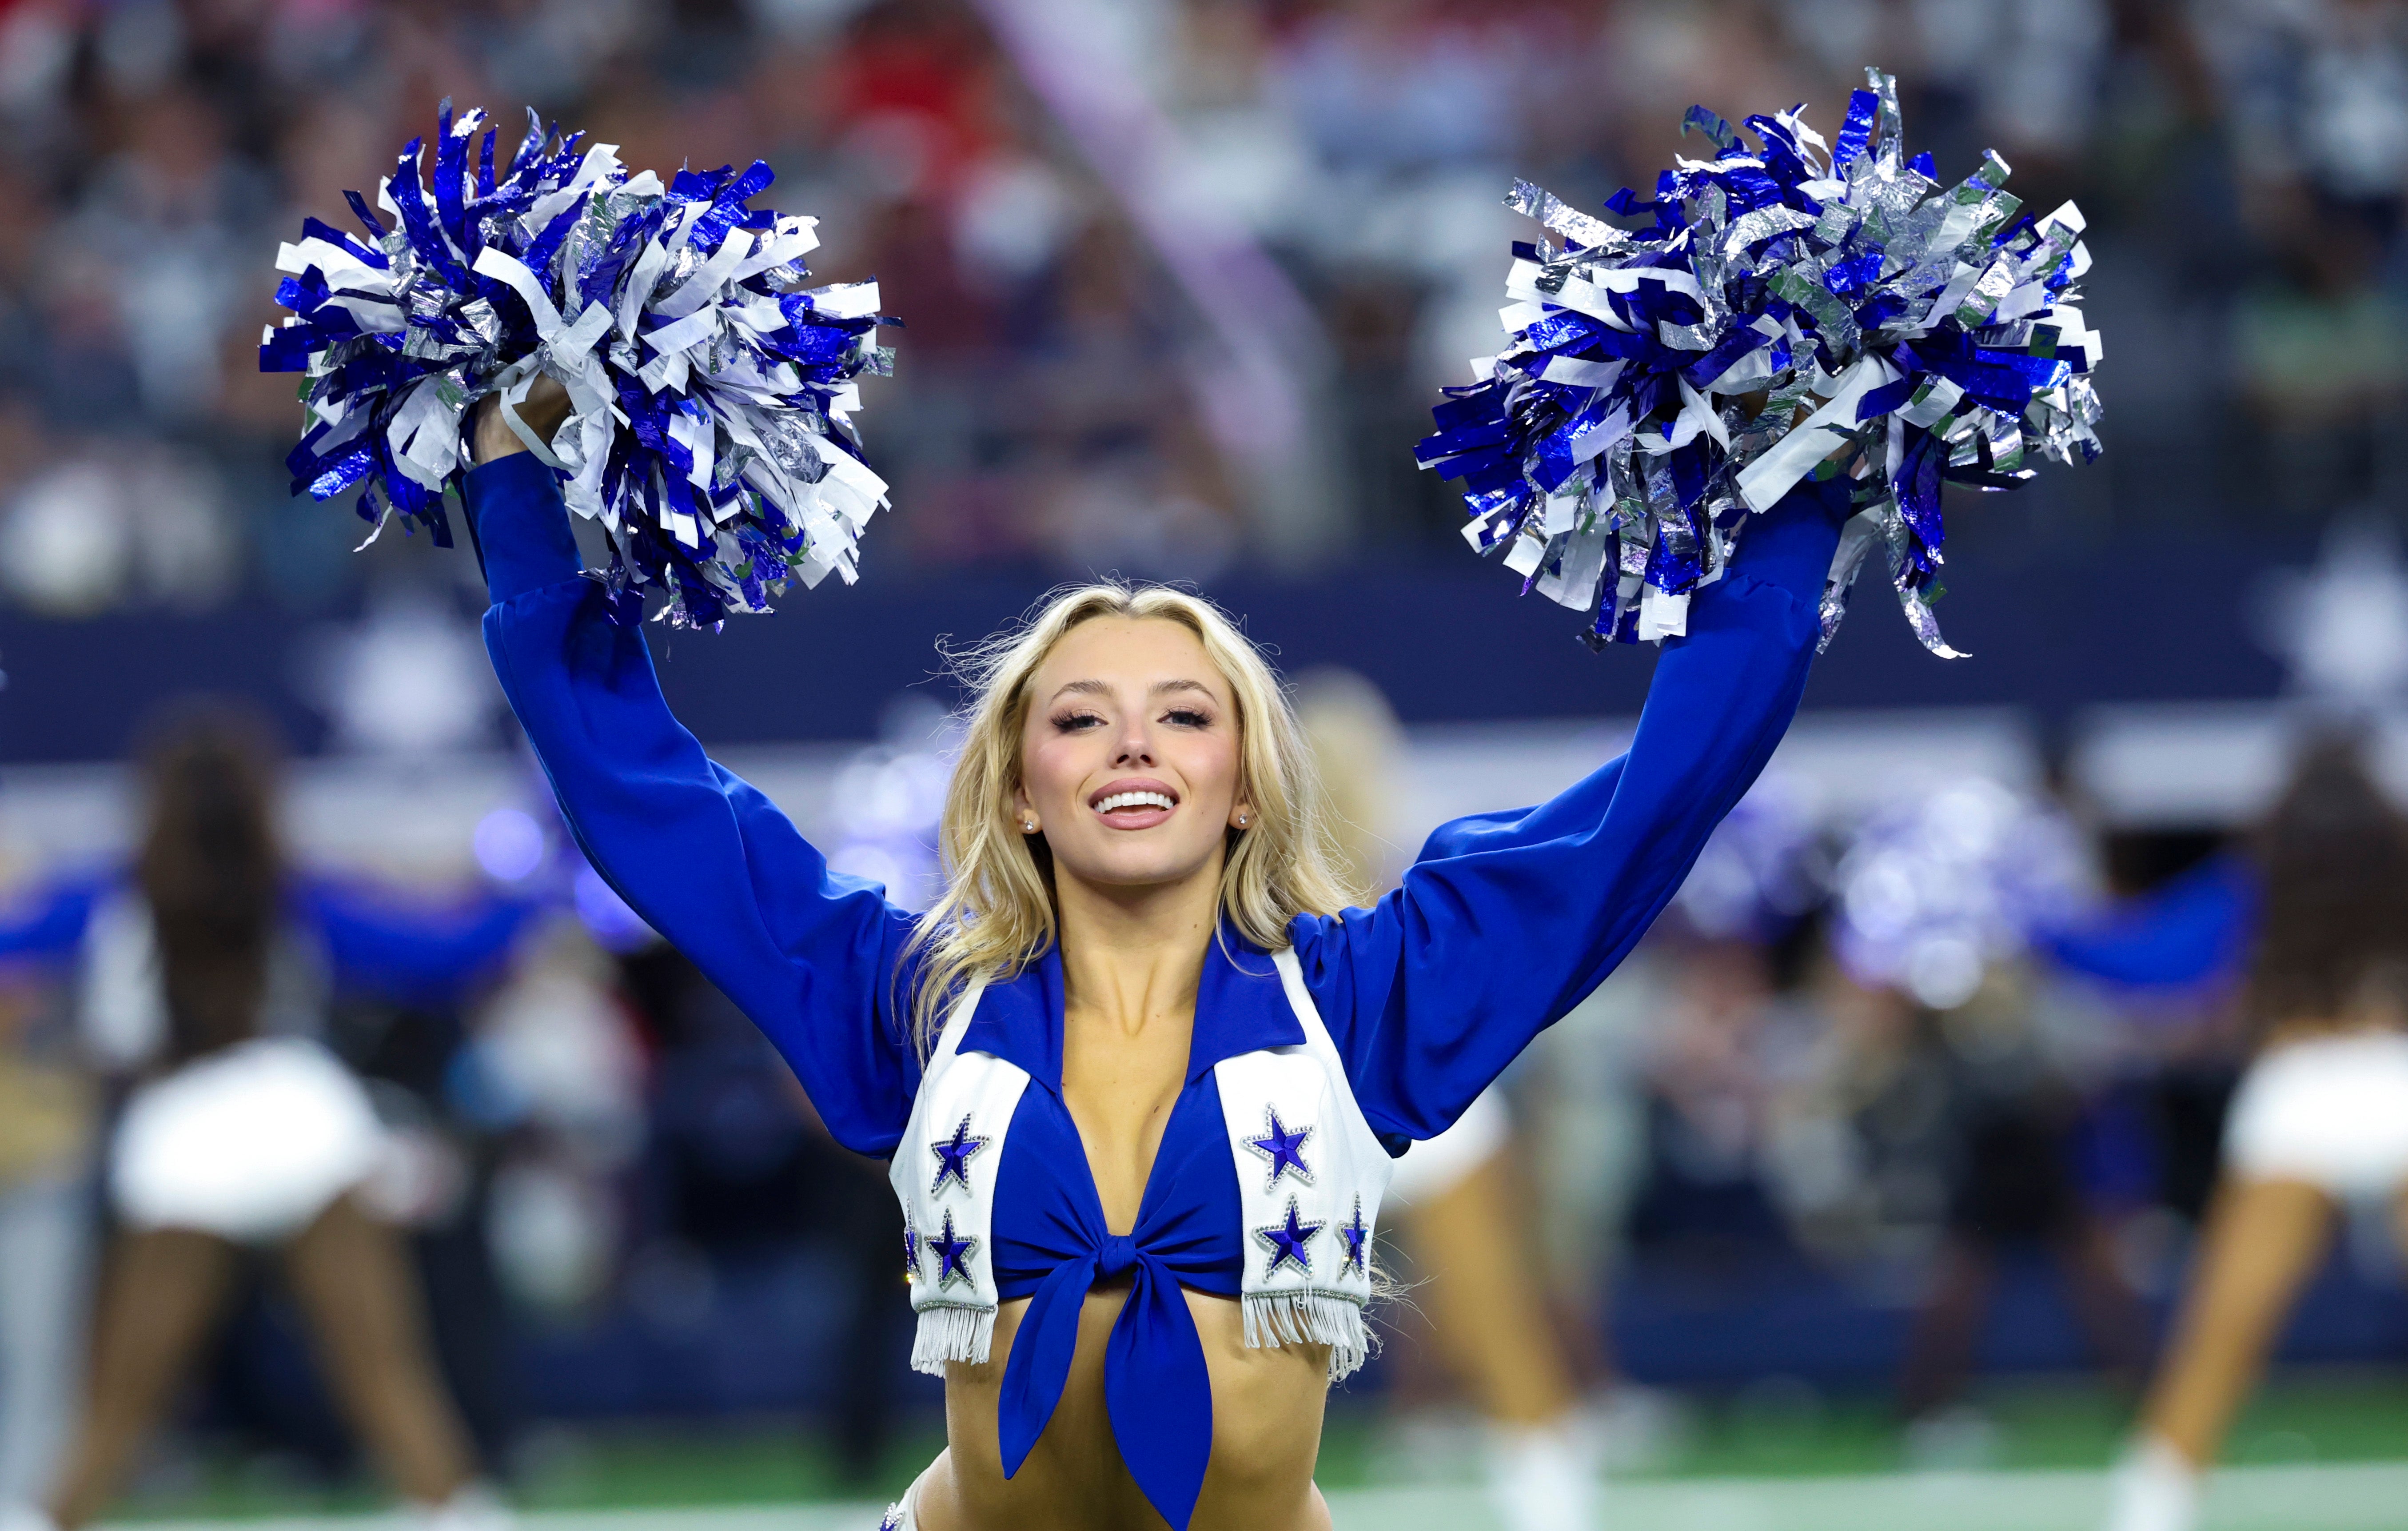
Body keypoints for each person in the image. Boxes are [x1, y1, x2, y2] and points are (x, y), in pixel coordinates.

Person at [463, 378, 1849, 1531]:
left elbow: (1656, 797)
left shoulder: (1368, 1001)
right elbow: (639, 786)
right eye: (1079, 720)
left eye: (1184, 715)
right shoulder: (905, 1002)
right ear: (1017, 784)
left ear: (1244, 780)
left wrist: (1809, 474)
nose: (1132, 742)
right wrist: (505, 466)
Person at [0, 710, 528, 1531]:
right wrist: (531, 892)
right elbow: (441, 955)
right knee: (389, 1377)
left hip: (181, 1143)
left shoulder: (111, 893)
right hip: (302, 1123)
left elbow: (13, 937)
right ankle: (458, 1511)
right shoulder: (293, 889)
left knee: (117, 1405)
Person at [1291, 670, 1595, 1531]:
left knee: (1495, 1321)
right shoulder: (1264, 866)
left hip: (1390, 1106)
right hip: (1316, 1113)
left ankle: (1552, 1506)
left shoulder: (1389, 866)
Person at [2100, 739, 2408, 1531]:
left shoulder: (2261, 876)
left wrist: (2037, 925)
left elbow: (2148, 961)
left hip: (2299, 1090)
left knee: (2222, 1333)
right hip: (2396, 1076)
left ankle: (2152, 1507)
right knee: (2225, 1324)